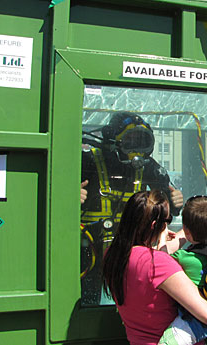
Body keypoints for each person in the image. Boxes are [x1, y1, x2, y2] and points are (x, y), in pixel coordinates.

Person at [80, 111, 184, 304]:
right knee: (87, 303)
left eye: (142, 142)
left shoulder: (149, 168)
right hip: (89, 255)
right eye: (130, 141)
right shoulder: (87, 162)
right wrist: (69, 197)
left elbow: (165, 209)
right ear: (113, 141)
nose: (137, 150)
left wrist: (174, 204)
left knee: (129, 304)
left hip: (128, 257)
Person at [101, 190, 207, 345]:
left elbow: (153, 261)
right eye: (168, 220)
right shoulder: (158, 263)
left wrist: (166, 234)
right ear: (155, 225)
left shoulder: (112, 255)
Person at [159, 195, 207, 345]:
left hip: (192, 317)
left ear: (186, 231)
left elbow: (161, 259)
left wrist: (163, 236)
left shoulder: (183, 257)